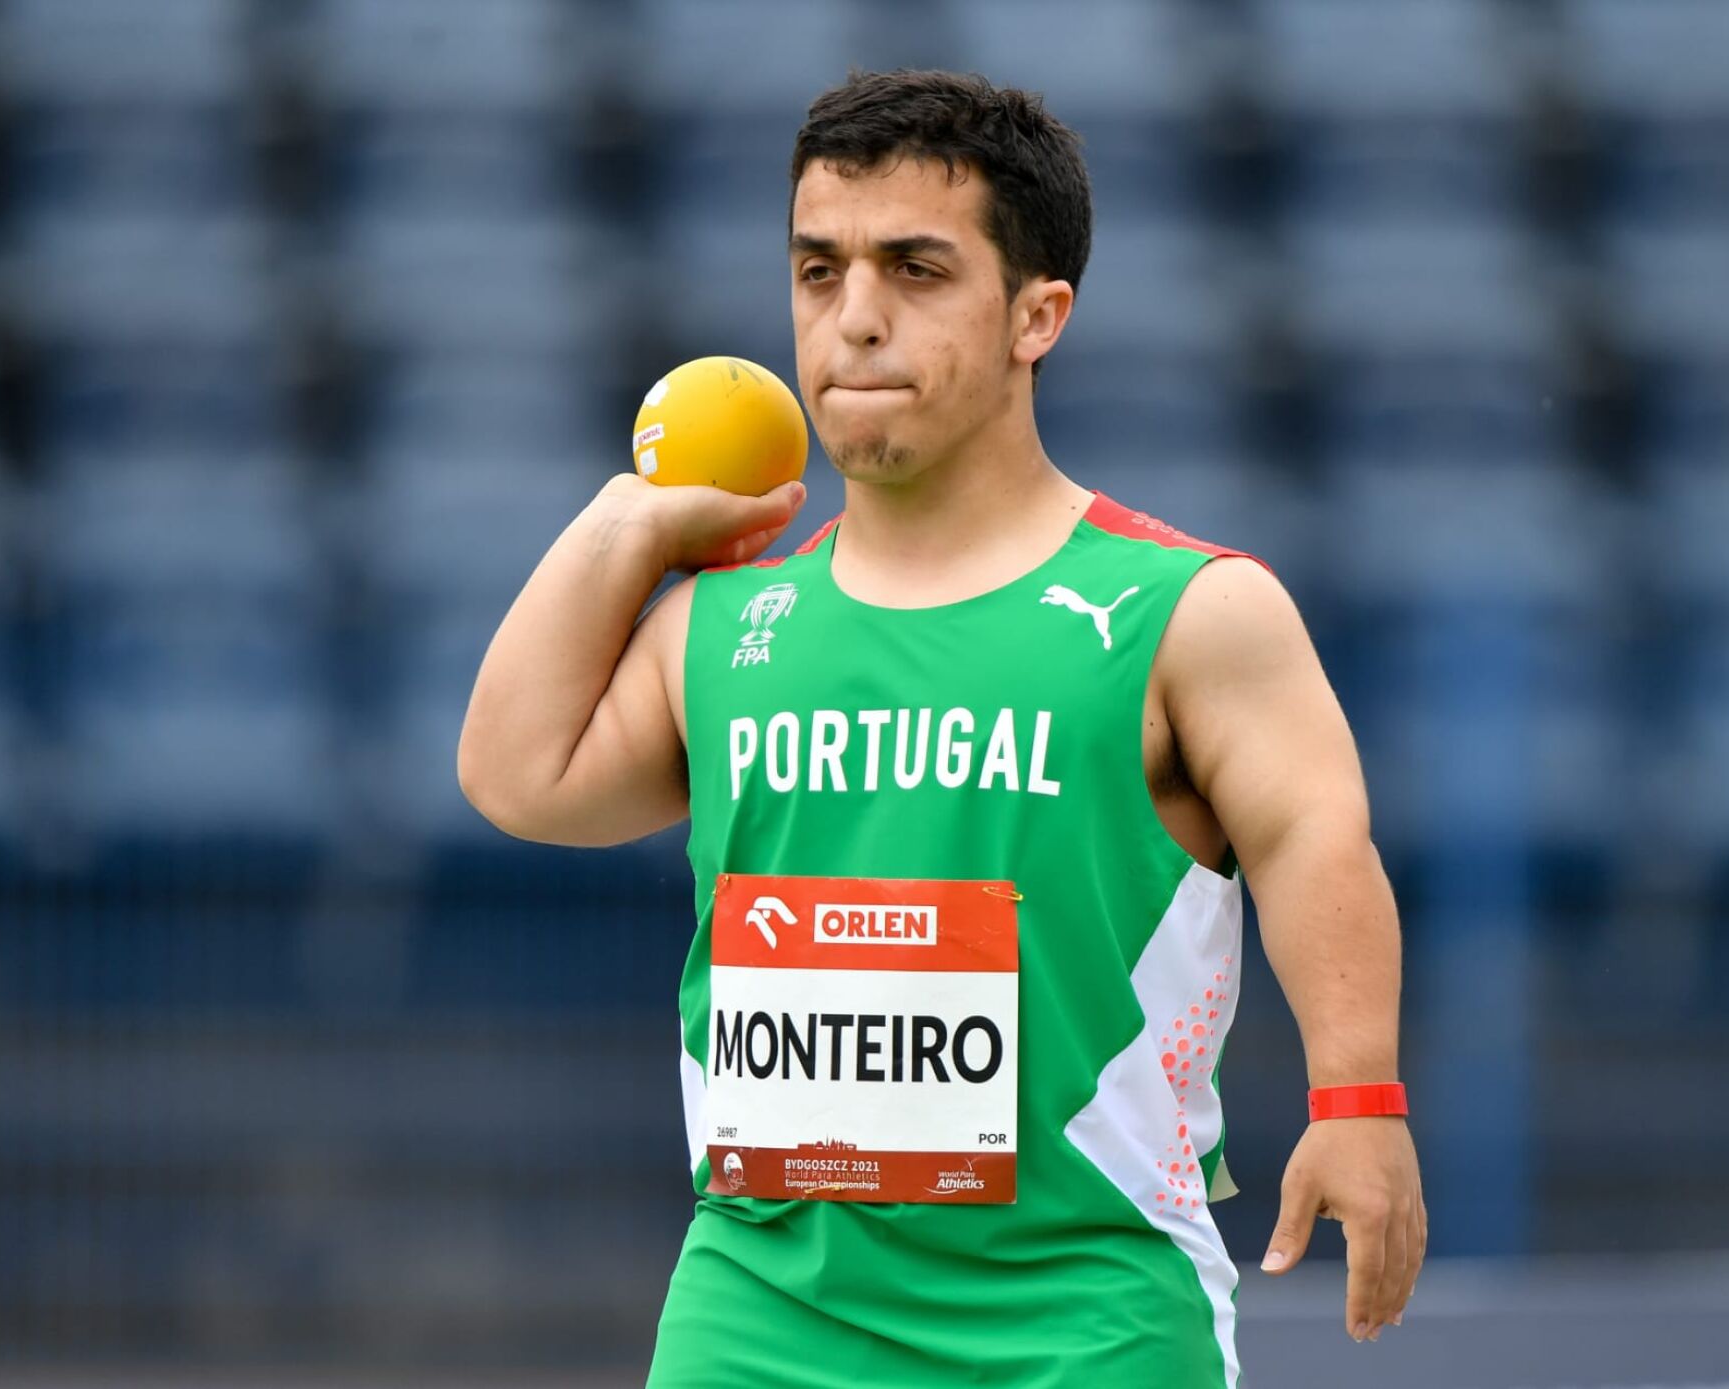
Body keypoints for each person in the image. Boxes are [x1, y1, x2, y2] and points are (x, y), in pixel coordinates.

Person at [460, 68, 1424, 1389]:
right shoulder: (723, 627)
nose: (854, 320)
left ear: (1040, 314)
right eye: (818, 270)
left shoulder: (1186, 612)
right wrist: (632, 517)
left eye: (915, 270)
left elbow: (1319, 835)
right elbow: (519, 776)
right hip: (760, 1304)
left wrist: (1358, 1099)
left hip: (1080, 1312)